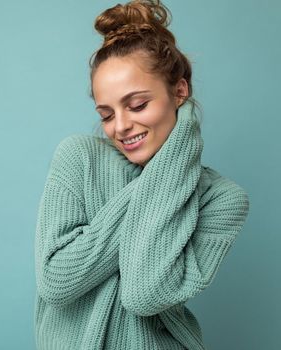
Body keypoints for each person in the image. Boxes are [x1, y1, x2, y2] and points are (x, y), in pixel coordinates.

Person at [33, 1, 250, 349]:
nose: (120, 126)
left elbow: (145, 293)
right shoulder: (79, 157)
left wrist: (175, 161)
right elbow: (58, 281)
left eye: (137, 106)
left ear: (180, 92)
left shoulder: (222, 199)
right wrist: (157, 177)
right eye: (106, 114)